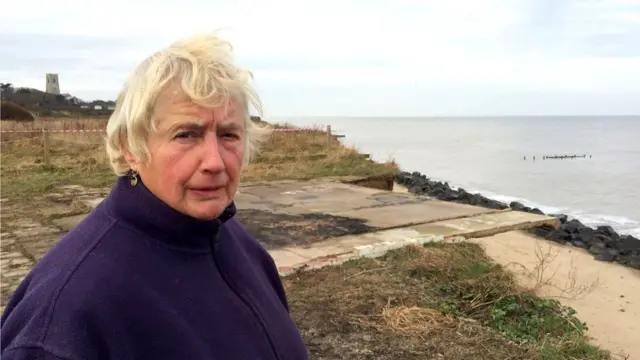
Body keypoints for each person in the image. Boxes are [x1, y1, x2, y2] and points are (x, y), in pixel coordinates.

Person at [1, 31, 309, 360]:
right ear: (130, 147)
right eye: (186, 134)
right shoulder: (65, 318)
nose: (215, 162)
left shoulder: (233, 241)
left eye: (228, 134)